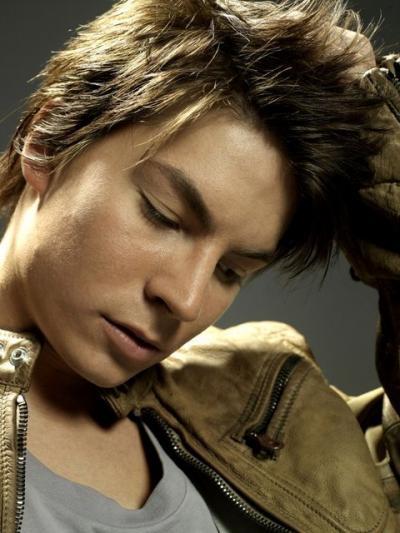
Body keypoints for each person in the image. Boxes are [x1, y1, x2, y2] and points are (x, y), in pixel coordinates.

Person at [0, 0, 398, 531]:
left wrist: (380, 124)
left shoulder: (263, 412)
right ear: (47, 141)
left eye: (230, 270)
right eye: (163, 216)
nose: (186, 301)